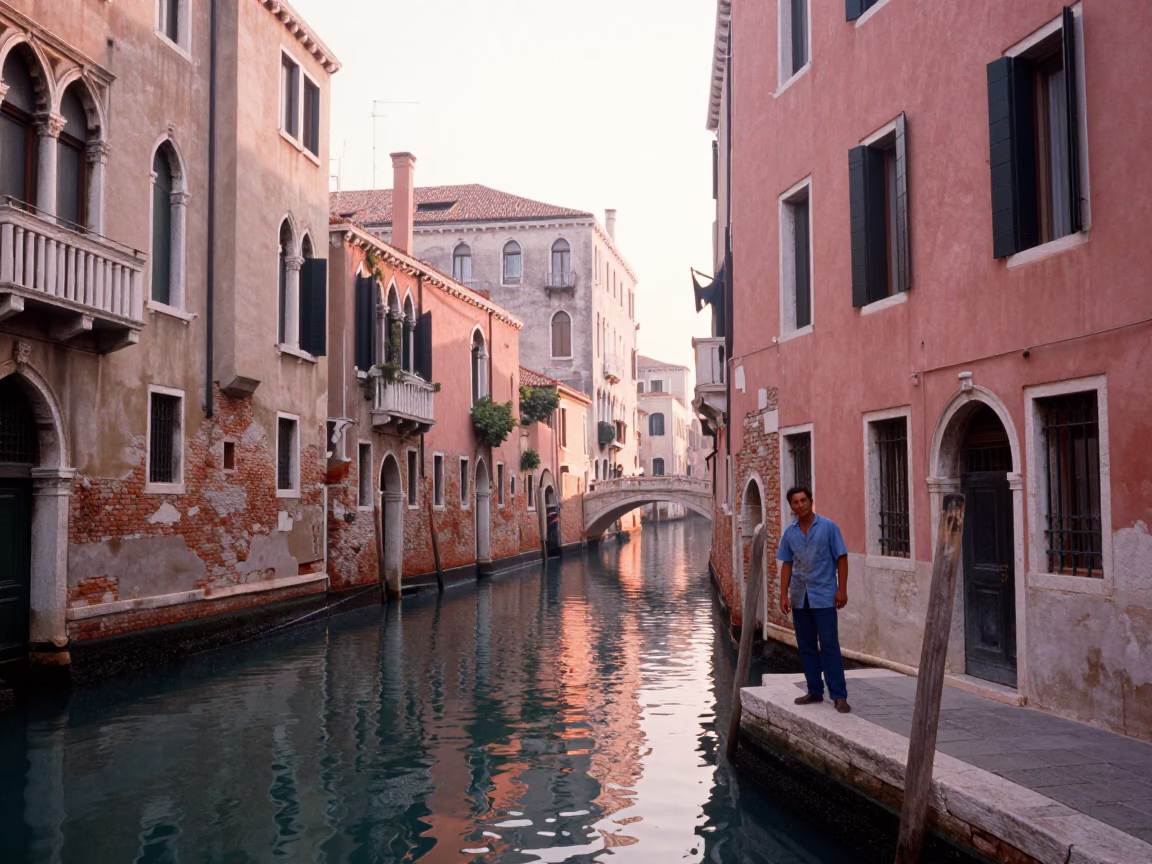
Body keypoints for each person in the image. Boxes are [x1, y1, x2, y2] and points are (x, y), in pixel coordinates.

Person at [777, 485, 851, 713]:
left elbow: (841, 558)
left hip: (825, 596)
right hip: (800, 598)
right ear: (791, 507)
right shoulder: (790, 533)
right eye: (795, 503)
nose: (799, 505)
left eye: (803, 501)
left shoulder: (829, 527)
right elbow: (787, 564)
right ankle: (815, 691)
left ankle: (839, 695)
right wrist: (783, 594)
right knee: (807, 646)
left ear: (811, 500)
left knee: (829, 646)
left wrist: (842, 589)